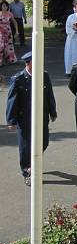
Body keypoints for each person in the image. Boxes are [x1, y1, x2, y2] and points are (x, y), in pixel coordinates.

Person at [5, 51, 57, 186]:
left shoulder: (44, 75)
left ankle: (34, 163)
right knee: (26, 147)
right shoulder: (18, 79)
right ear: (28, 64)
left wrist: (52, 111)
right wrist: (11, 120)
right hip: (25, 118)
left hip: (42, 116)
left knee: (43, 142)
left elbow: (49, 94)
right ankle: (27, 171)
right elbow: (12, 101)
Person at [0, 0, 18, 67]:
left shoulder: (10, 14)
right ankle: (0, 62)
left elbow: (15, 22)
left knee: (9, 46)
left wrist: (17, 31)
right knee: (1, 47)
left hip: (8, 32)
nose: (5, 7)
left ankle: (11, 60)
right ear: (1, 7)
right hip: (0, 33)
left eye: (6, 6)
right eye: (3, 6)